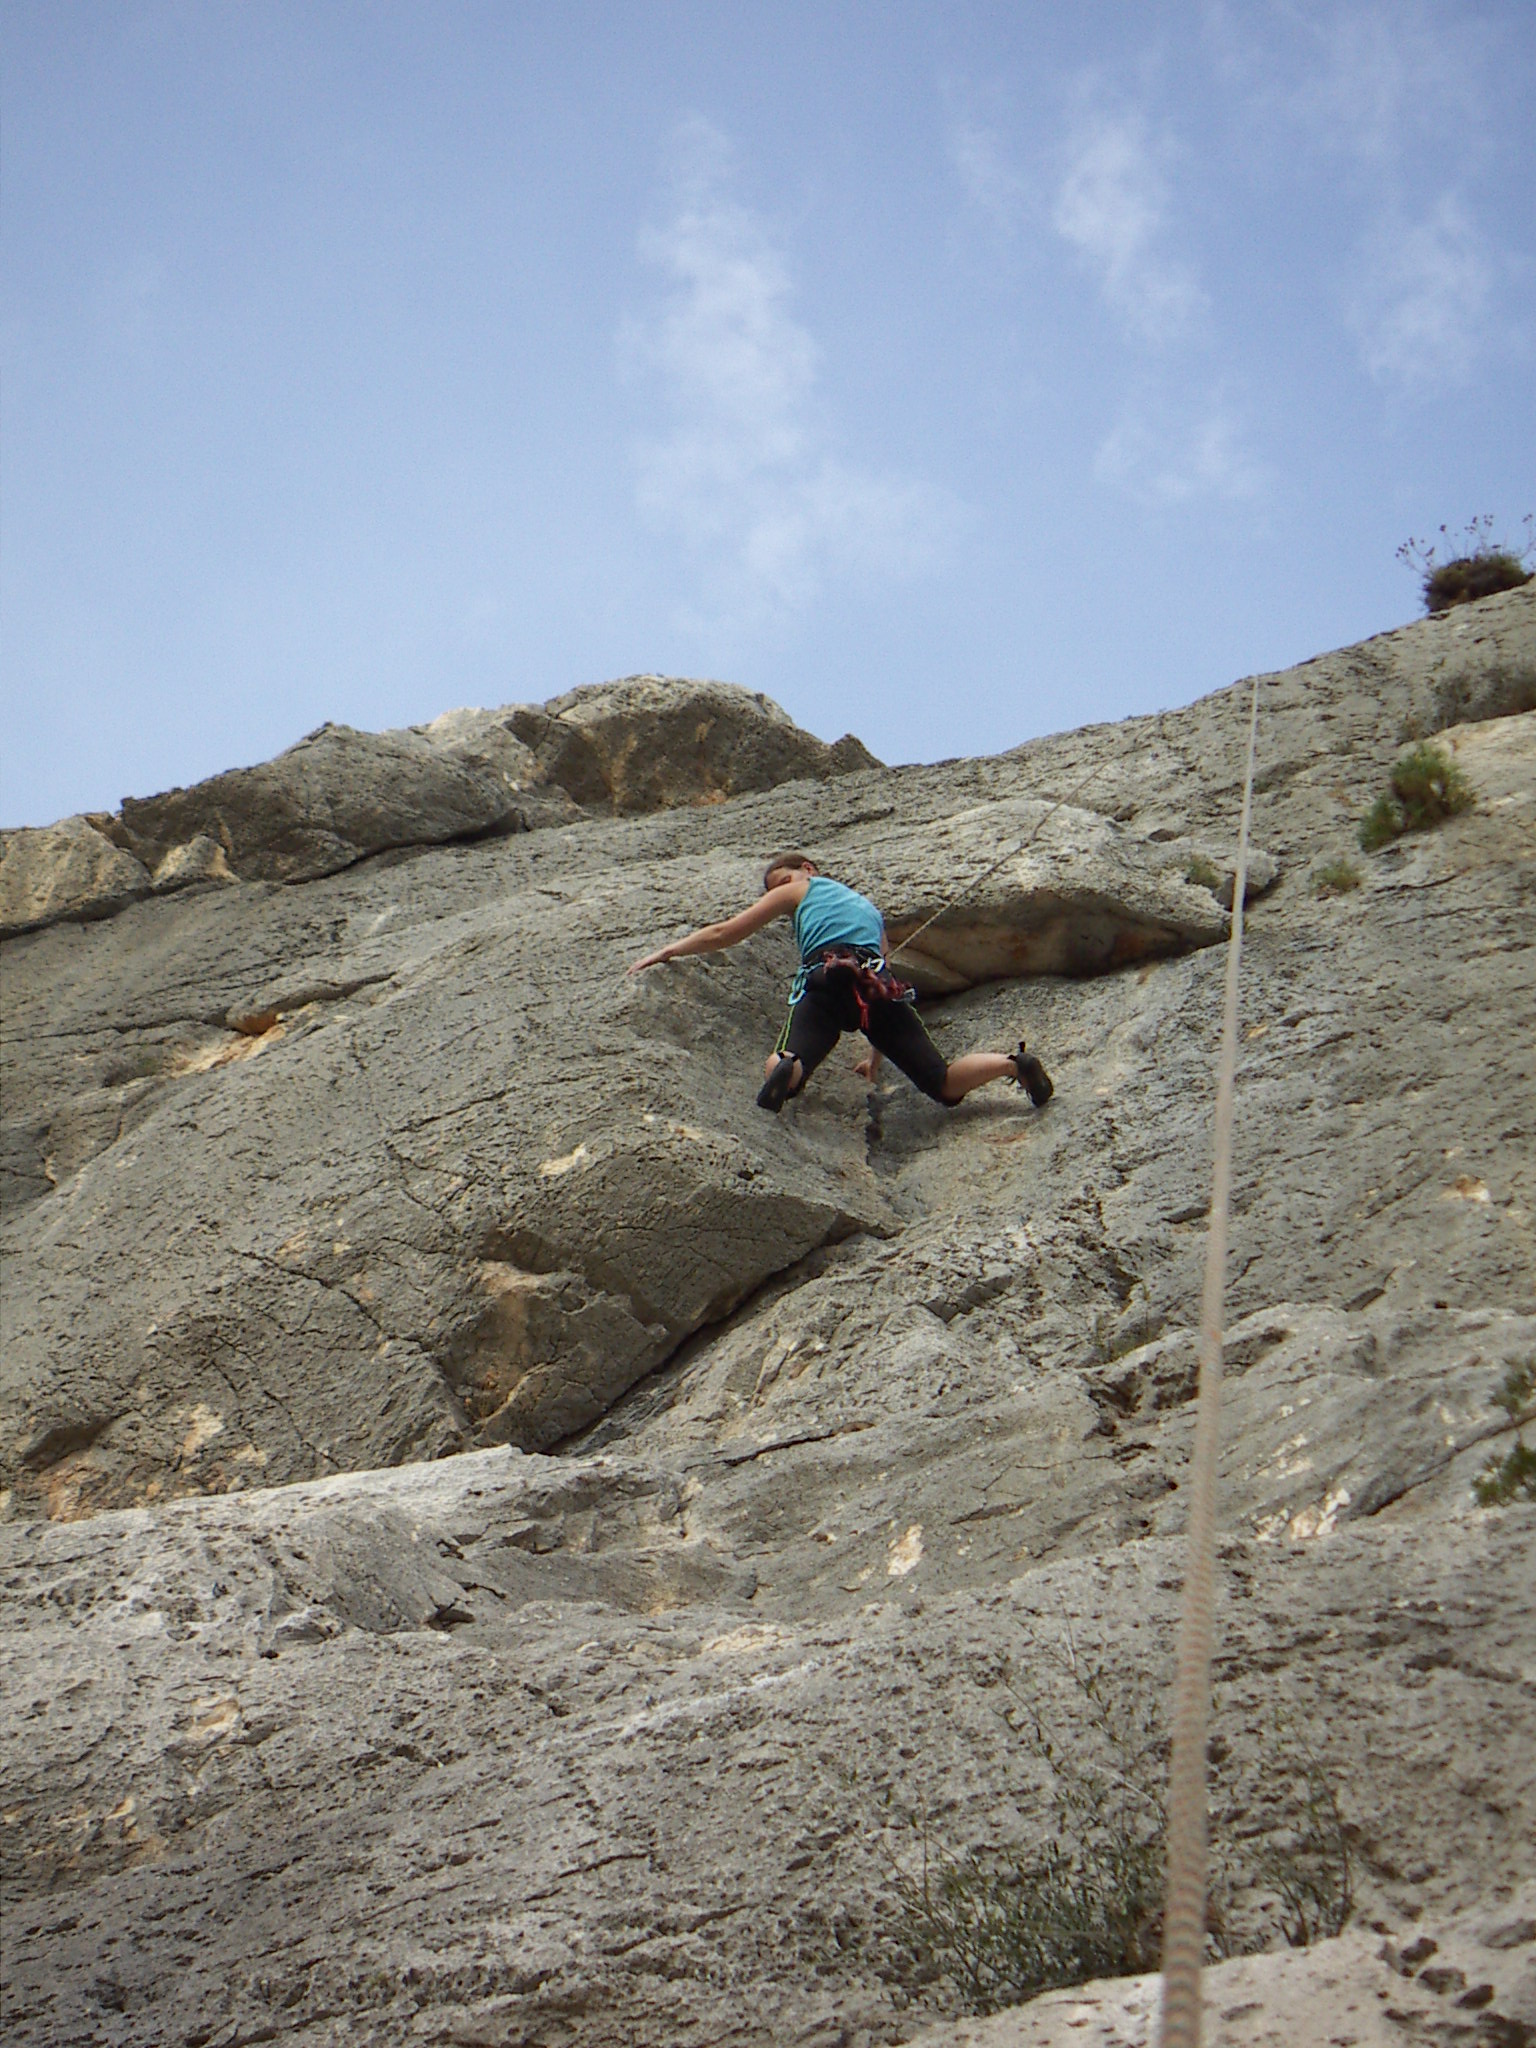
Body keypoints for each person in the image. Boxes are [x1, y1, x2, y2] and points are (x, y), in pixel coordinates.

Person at [628, 851, 1054, 1115]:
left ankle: (786, 1071)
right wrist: (874, 1061)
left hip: (827, 975)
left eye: (782, 881)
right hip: (875, 982)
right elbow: (881, 983)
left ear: (806, 869)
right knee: (941, 1081)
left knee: (793, 1054)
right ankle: (1013, 1065)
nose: (779, 893)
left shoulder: (801, 890)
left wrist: (668, 951)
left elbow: (727, 932)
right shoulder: (869, 911)